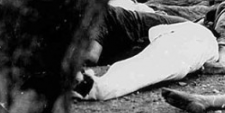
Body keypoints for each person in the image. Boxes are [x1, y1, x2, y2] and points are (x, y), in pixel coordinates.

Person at [73, 20, 217, 102]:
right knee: (149, 67)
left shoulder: (195, 30)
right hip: (186, 50)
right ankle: (92, 87)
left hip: (181, 43)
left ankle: (92, 88)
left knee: (145, 66)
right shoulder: (209, 41)